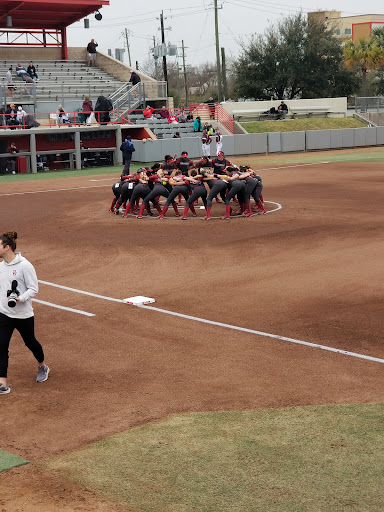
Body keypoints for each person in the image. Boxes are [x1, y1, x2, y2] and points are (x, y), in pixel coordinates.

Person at [0, 231, 50, 395]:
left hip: (23, 315)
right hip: (4, 314)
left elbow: (34, 288)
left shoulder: (25, 266)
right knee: (1, 346)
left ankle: (42, 366)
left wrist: (20, 298)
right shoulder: (0, 267)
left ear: (7, 247)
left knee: (30, 342)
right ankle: (2, 383)